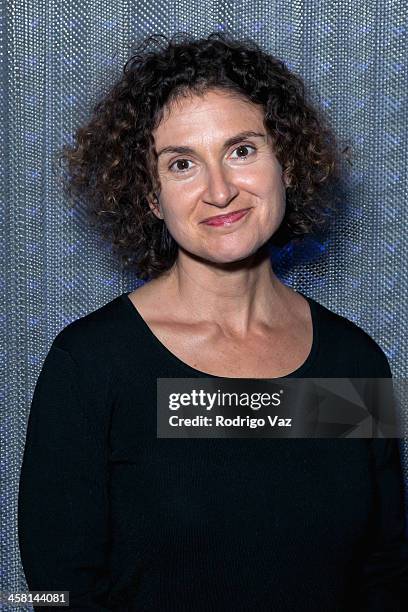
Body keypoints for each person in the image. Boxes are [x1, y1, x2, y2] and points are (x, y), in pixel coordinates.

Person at [18, 32, 408, 611]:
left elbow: (385, 572)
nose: (221, 190)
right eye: (181, 164)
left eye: (242, 150)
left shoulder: (353, 360)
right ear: (150, 197)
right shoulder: (93, 365)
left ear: (288, 163)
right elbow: (53, 591)